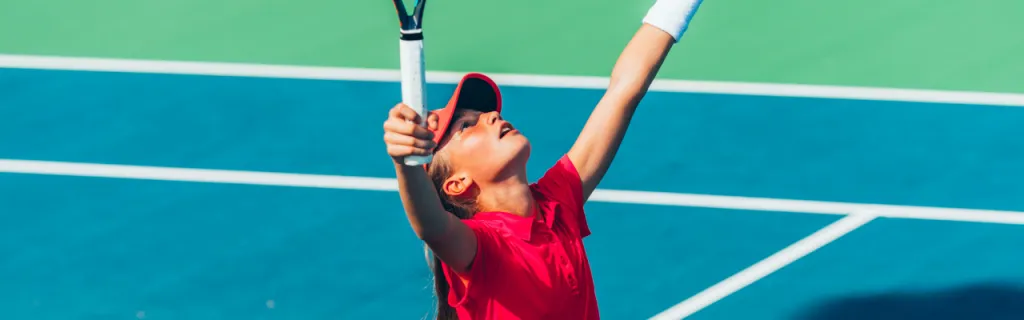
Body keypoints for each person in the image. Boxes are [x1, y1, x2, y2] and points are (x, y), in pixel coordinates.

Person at [381, 0, 703, 318]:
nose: (491, 116)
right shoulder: (482, 248)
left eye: (484, 113)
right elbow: (431, 227)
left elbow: (624, 91)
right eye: (467, 125)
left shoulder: (557, 203)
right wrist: (404, 162)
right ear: (457, 184)